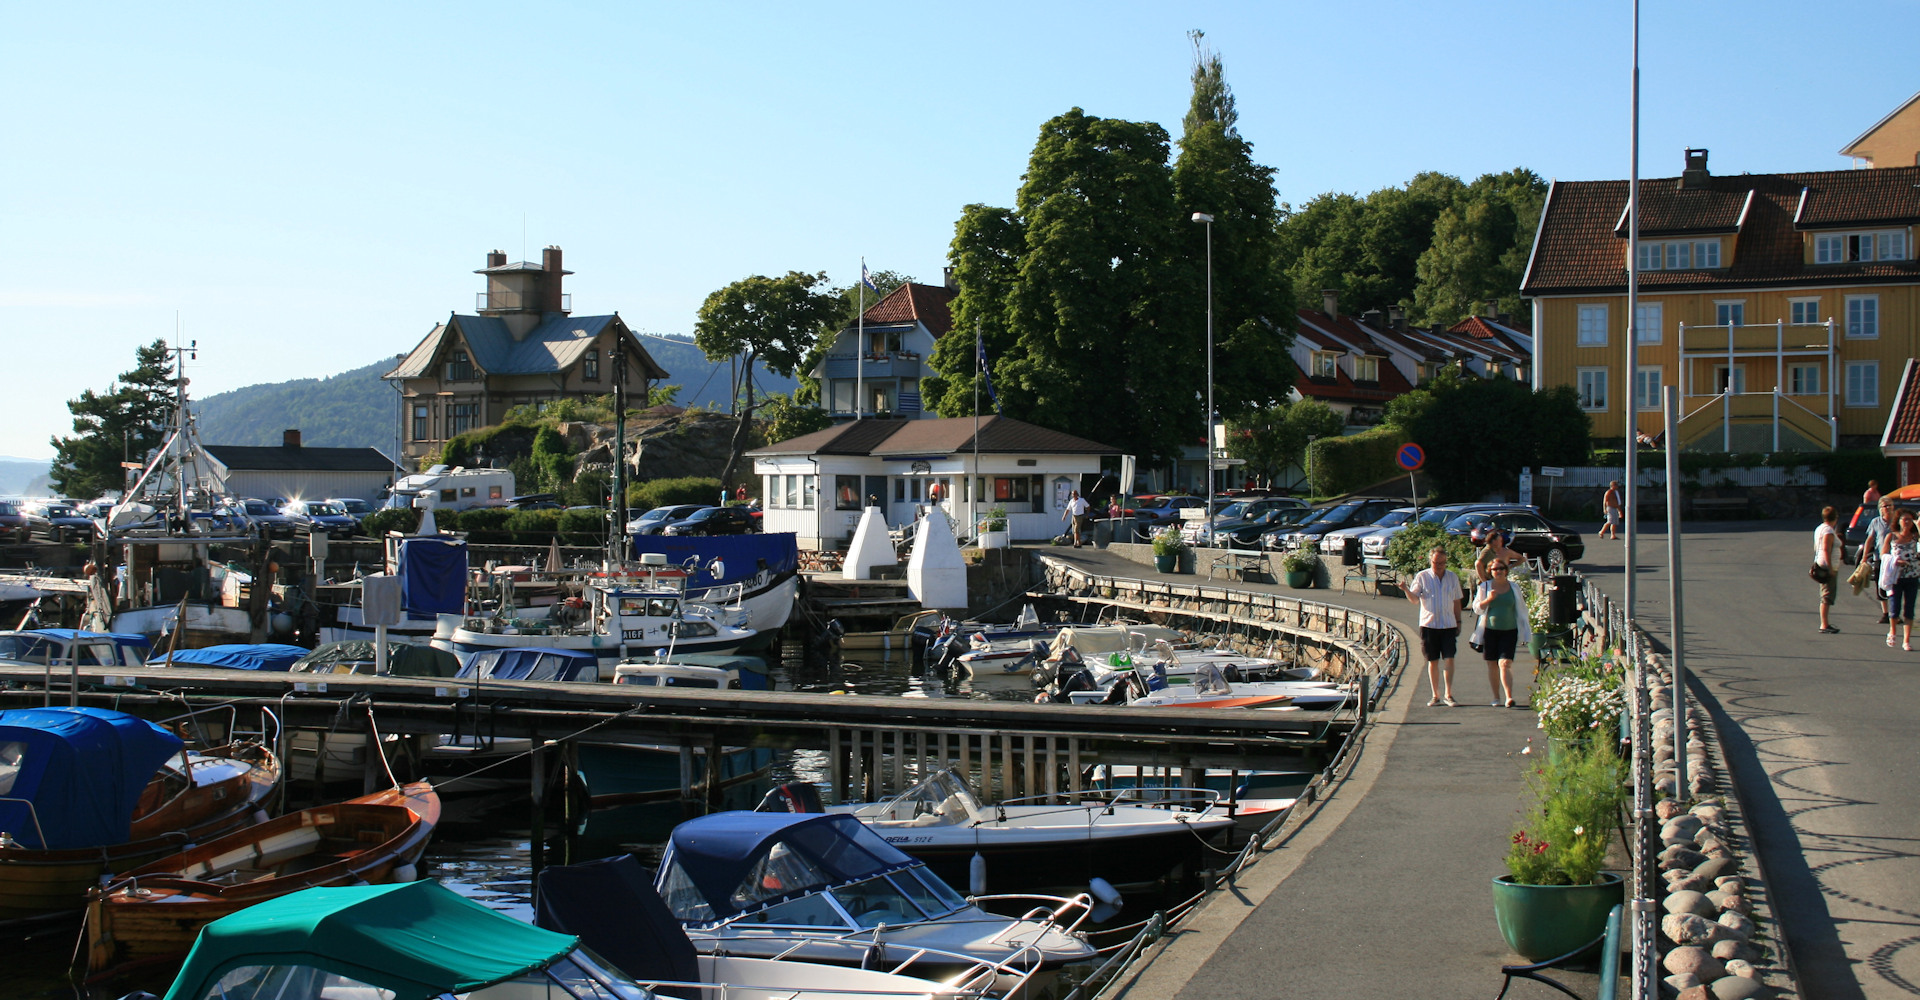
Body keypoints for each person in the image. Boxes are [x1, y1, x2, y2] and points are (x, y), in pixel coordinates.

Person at [1404, 545, 1464, 707]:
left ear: (1446, 562)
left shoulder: (1452, 577)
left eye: (1442, 563)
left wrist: (1458, 621)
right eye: (1435, 563)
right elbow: (1415, 599)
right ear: (1430, 561)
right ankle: (1435, 694)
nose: (1438, 566)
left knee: (1449, 658)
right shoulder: (1422, 577)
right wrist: (1405, 590)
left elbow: (1457, 600)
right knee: (1433, 660)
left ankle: (1448, 694)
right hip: (1429, 624)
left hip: (1448, 624)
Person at [1473, 559, 1521, 707]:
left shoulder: (1514, 587)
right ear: (1490, 572)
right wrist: (1488, 600)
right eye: (1495, 569)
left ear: (1506, 570)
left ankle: (1509, 697)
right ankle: (1496, 697)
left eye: (1501, 568)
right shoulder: (1485, 587)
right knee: (1492, 664)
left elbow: (1520, 609)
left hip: (1510, 630)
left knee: (1505, 663)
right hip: (1490, 631)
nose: (1498, 571)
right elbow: (1477, 608)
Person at [1886, 511, 1920, 650]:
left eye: (1909, 520)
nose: (1906, 522)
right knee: (1894, 608)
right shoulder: (1892, 536)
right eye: (1904, 519)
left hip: (1912, 576)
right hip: (1896, 577)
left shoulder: (1915, 537)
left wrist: (1918, 526)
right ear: (1898, 521)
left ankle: (1906, 640)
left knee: (1909, 609)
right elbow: (1883, 554)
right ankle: (1892, 631)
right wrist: (1895, 561)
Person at [1865, 498, 1896, 623]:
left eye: (1889, 505)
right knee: (1881, 585)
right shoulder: (1876, 522)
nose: (1887, 508)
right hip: (1880, 558)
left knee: (1896, 586)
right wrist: (1864, 557)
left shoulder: (1897, 521)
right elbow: (1870, 539)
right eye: (1884, 506)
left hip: (1895, 558)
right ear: (1880, 509)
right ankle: (1885, 613)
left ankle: (1895, 613)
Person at [1814, 505, 1841, 634]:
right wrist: (1830, 568)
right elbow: (1826, 549)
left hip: (1821, 564)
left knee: (1826, 594)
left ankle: (1825, 623)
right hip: (1826, 566)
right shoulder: (1828, 531)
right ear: (1835, 518)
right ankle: (1824, 624)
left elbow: (1816, 548)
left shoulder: (1820, 528)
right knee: (1827, 595)